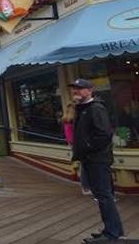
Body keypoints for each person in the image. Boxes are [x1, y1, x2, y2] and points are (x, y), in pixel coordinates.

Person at [69, 78, 124, 243]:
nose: (76, 91)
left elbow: (104, 135)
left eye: (80, 88)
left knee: (104, 195)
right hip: (90, 159)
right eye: (74, 88)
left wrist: (87, 147)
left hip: (97, 160)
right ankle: (111, 229)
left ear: (90, 90)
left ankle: (112, 234)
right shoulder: (83, 108)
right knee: (101, 196)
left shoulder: (96, 108)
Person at [63, 103, 92, 195]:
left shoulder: (66, 120)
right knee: (85, 165)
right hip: (79, 144)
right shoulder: (73, 121)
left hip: (74, 145)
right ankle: (86, 187)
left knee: (84, 165)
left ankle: (86, 186)